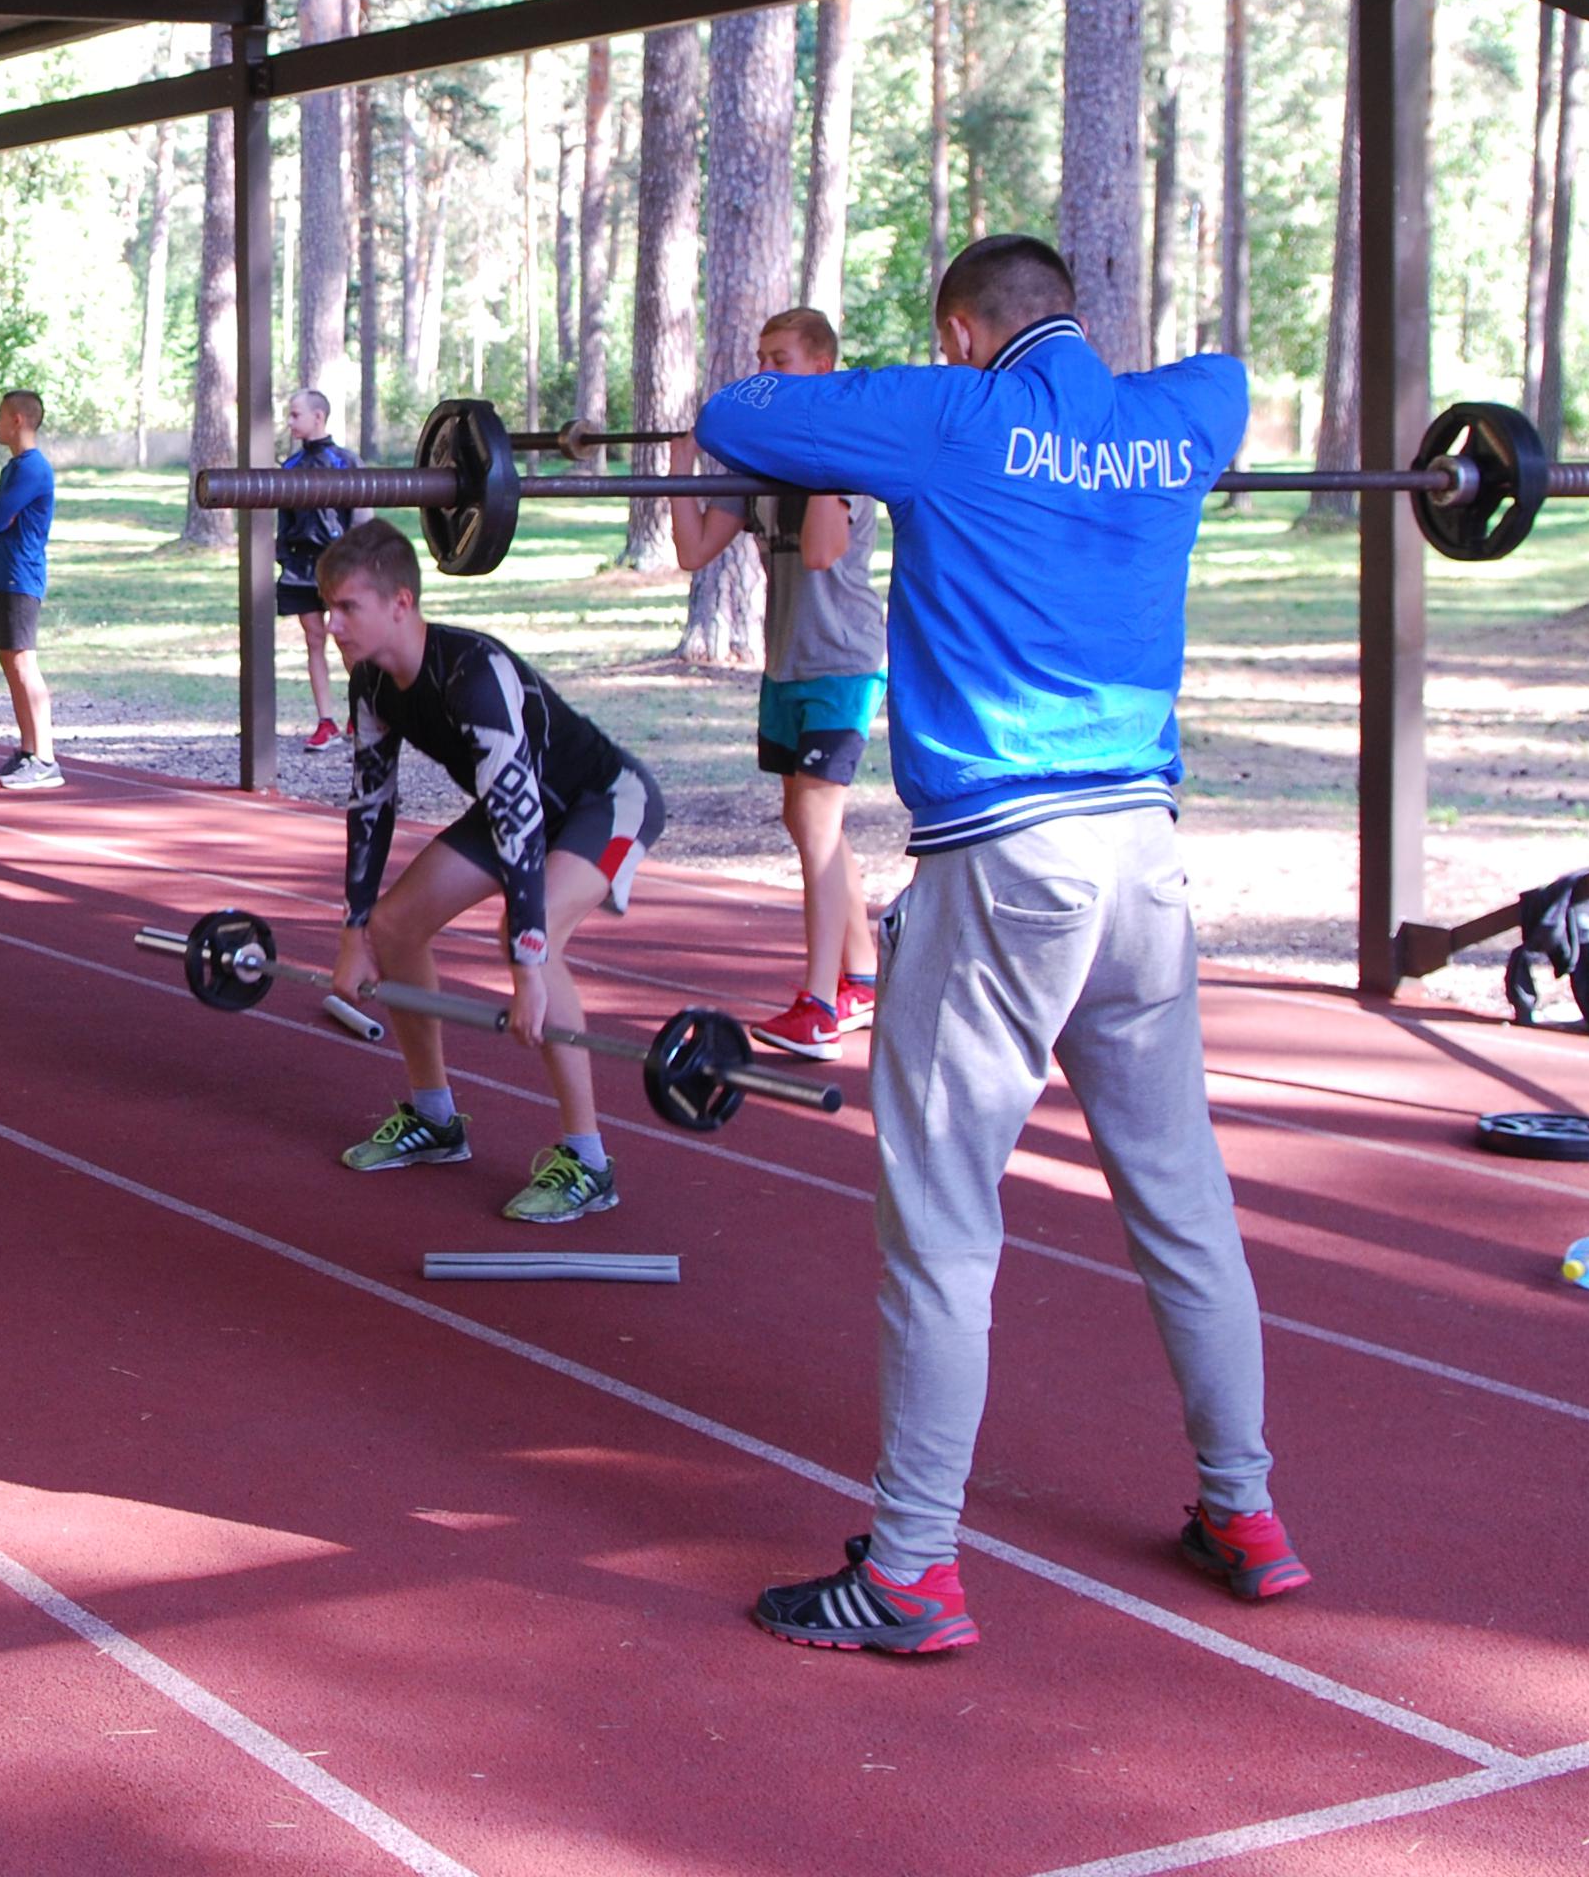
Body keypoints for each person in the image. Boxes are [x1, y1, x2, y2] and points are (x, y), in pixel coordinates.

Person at [698, 235, 1304, 1659]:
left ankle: (910, 1570)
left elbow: (740, 416)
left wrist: (936, 401)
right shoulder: (1181, 415)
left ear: (965, 332)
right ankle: (1246, 1510)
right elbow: (1224, 378)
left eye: (953, 339)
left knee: (943, 1224)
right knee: (1181, 1199)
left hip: (1004, 865)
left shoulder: (954, 412)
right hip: (1143, 862)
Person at [317, 517, 667, 1227]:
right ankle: (436, 1118)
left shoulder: (472, 675)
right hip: (521, 802)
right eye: (329, 607)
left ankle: (588, 1161)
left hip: (603, 802)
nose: (331, 624)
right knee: (395, 924)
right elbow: (372, 804)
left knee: (530, 931)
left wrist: (529, 969)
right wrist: (354, 929)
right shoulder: (372, 686)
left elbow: (517, 821)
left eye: (347, 606)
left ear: (400, 605)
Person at [667, 306, 886, 1059]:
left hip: (845, 664)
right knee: (809, 826)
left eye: (781, 359)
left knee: (817, 831)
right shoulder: (755, 465)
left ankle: (820, 1004)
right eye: (760, 356)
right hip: (785, 665)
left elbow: (824, 552)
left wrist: (814, 449)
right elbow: (696, 550)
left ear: (821, 369)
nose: (765, 370)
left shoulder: (848, 459)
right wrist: (680, 468)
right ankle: (861, 974)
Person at [0, 387, 60, 792]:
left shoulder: (32, 469)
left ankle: (45, 757)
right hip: (4, 573)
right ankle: (29, 751)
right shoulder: (14, 468)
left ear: (18, 421)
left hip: (21, 576)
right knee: (11, 664)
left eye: (0, 416)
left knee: (25, 664)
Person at [274, 387, 355, 752]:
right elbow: (282, 519)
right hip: (300, 567)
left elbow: (361, 517)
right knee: (314, 640)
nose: (290, 422)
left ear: (317, 417)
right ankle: (326, 722)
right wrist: (285, 559)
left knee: (347, 640)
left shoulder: (345, 462)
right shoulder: (289, 467)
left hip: (338, 566)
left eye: (295, 415)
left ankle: (362, 712)